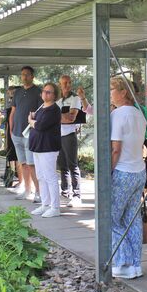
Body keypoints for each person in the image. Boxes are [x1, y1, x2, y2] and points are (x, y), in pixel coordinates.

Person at [109, 76, 147, 279]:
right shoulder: (139, 114)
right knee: (132, 219)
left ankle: (123, 261)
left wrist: (108, 172)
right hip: (138, 171)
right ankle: (136, 263)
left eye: (112, 88)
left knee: (110, 218)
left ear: (124, 92)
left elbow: (116, 149)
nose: (109, 93)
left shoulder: (118, 115)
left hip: (122, 172)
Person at [28, 82, 63, 218]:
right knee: (41, 176)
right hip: (37, 146)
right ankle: (45, 204)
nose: (45, 93)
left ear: (54, 95)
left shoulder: (54, 109)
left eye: (49, 92)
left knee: (50, 176)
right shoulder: (42, 107)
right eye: (44, 91)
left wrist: (31, 122)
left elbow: (40, 125)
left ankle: (55, 207)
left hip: (48, 147)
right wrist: (33, 121)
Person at [9, 66, 43, 203]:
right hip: (16, 133)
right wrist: (11, 129)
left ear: (32, 76)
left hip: (30, 133)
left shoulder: (38, 92)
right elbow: (13, 111)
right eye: (22, 75)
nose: (24, 77)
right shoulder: (17, 92)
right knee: (23, 163)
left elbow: (41, 113)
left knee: (31, 164)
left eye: (27, 75)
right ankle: (27, 190)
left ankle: (38, 192)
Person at [57, 75, 83, 207]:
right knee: (62, 166)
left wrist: (54, 116)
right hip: (58, 135)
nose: (67, 85)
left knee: (73, 165)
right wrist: (61, 116)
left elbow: (71, 118)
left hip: (69, 135)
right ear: (59, 84)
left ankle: (77, 195)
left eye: (69, 82)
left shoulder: (75, 98)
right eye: (64, 83)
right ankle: (65, 192)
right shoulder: (58, 100)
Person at [3, 86, 22, 188]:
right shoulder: (10, 109)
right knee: (12, 157)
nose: (11, 96)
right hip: (10, 136)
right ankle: (13, 177)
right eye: (10, 95)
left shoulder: (19, 108)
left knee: (19, 157)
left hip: (18, 134)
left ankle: (21, 179)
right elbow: (7, 126)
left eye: (13, 94)